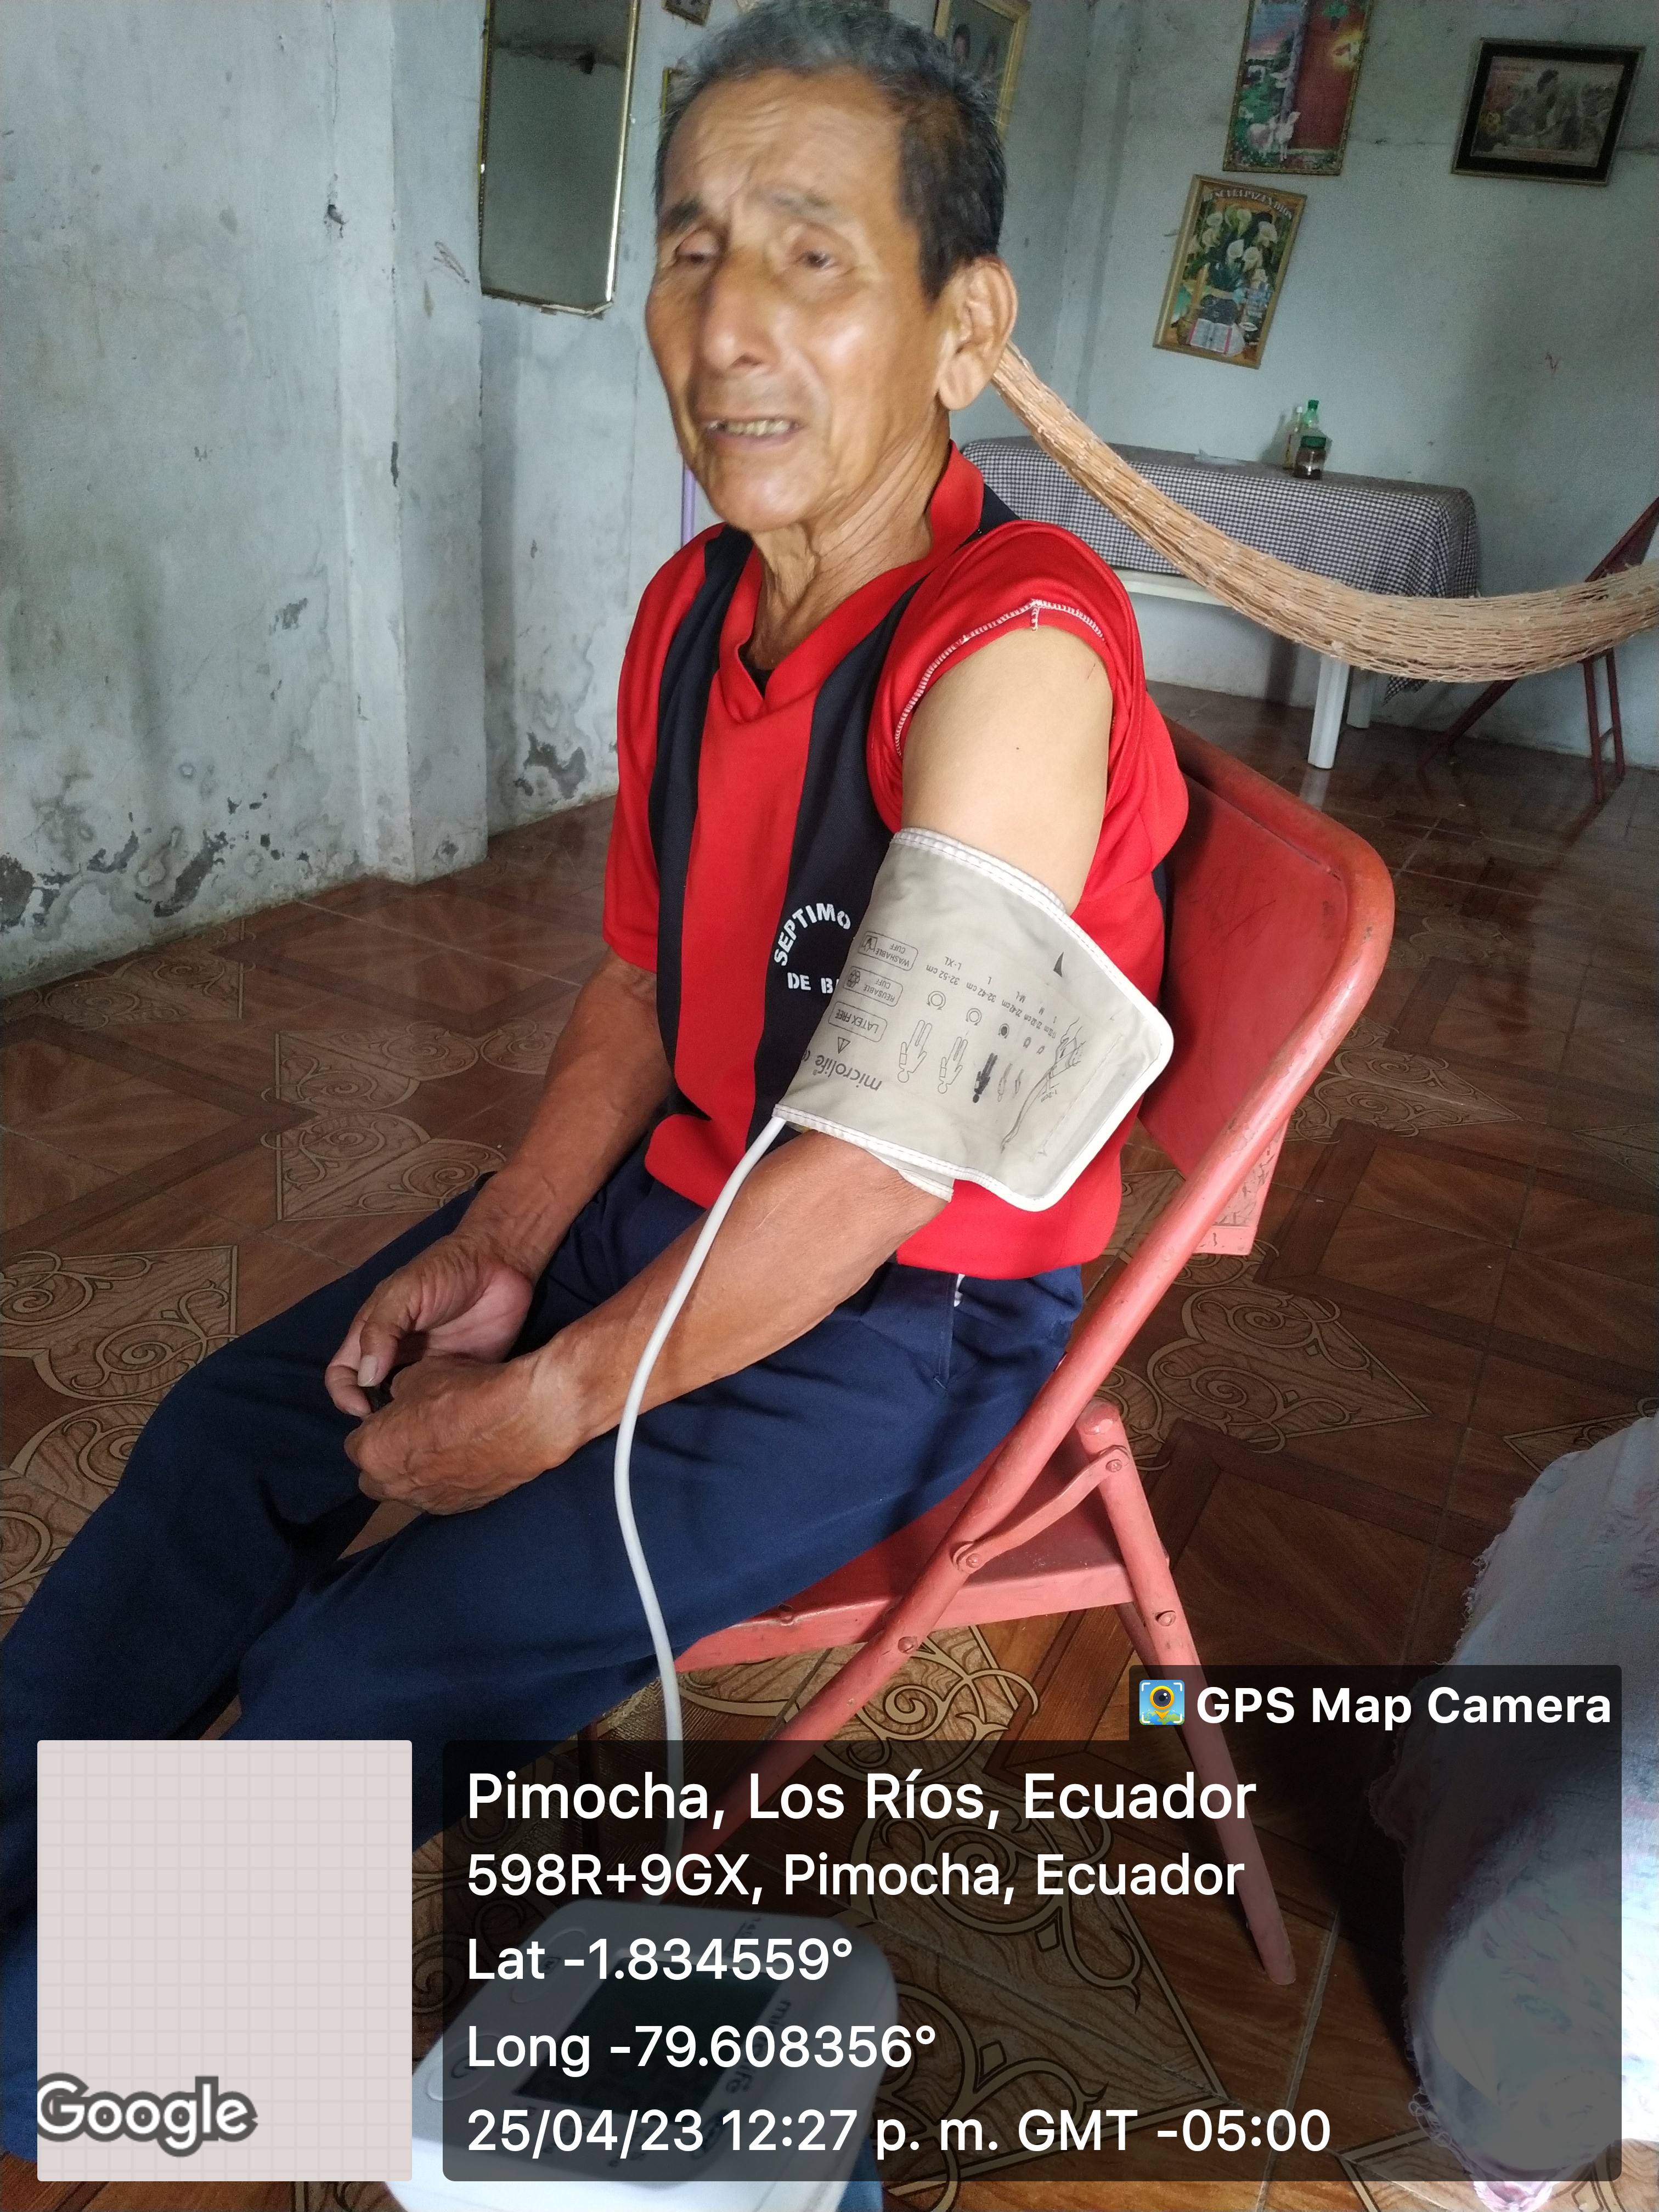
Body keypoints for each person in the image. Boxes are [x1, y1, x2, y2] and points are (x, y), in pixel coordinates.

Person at [0, 0, 1187, 2158]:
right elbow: (645, 986)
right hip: (689, 1199)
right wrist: (507, 1238)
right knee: (233, 1441)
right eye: (692, 248)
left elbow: (871, 1179)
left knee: (371, 1663)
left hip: (908, 1313)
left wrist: (552, 1401)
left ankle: (99, 2066)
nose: (726, 325)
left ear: (964, 324)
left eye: (813, 255)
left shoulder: (1008, 650)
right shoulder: (693, 613)